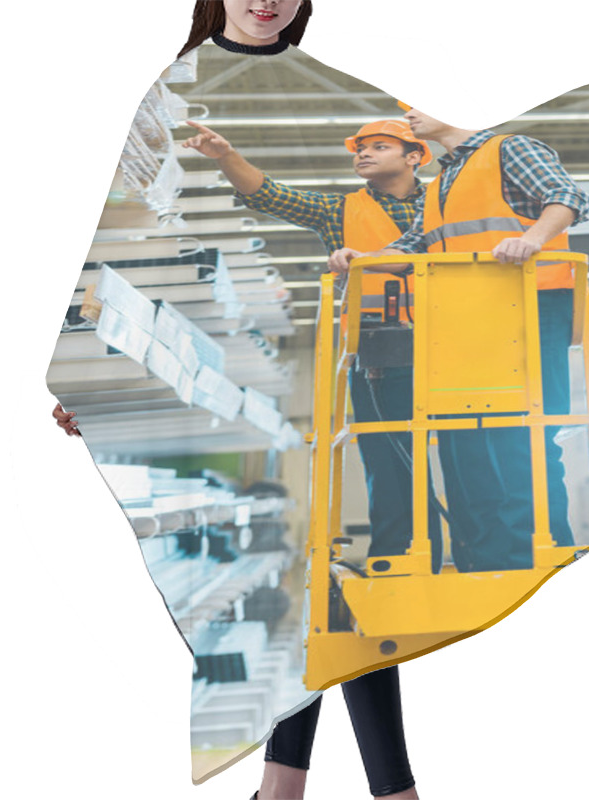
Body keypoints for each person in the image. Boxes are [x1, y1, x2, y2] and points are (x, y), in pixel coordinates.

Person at [54, 2, 423, 798]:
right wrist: (96, 369)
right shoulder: (174, 88)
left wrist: (583, 129)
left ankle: (289, 789)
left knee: (338, 569)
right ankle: (369, 790)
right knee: (303, 570)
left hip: (332, 367)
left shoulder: (331, 95)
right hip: (225, 371)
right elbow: (127, 239)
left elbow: (451, 165)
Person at [328, 104, 589, 574]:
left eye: (418, 105)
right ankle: (486, 560)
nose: (408, 115)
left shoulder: (507, 149)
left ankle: (537, 558)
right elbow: (414, 244)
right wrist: (363, 259)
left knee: (523, 435)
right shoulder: (445, 181)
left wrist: (532, 238)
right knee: (465, 441)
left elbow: (568, 195)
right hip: (468, 318)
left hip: (529, 306)